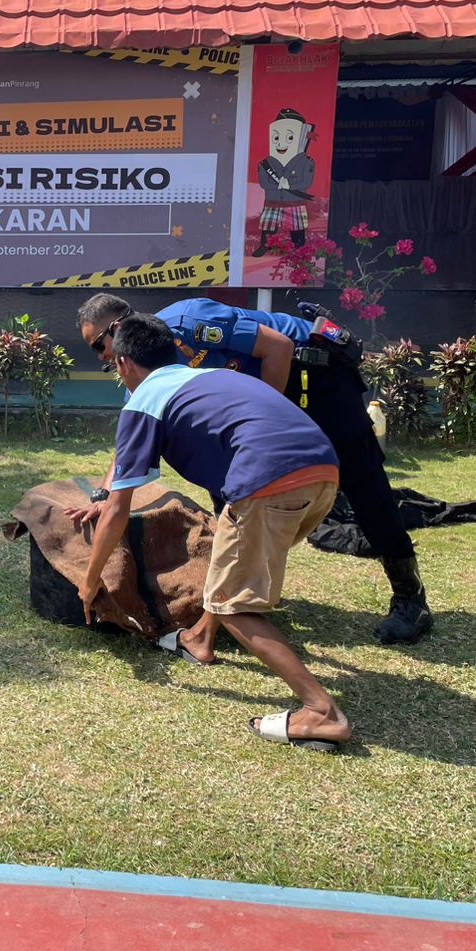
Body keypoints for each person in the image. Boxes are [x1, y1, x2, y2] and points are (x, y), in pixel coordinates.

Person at [76, 292, 434, 645]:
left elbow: (278, 348)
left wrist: (268, 423)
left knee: (363, 482)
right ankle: (235, 598)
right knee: (231, 493)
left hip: (313, 373)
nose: (102, 358)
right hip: (265, 406)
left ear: (117, 327)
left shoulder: (188, 320)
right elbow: (130, 443)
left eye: (97, 346)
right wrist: (103, 495)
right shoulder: (142, 367)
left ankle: (409, 597)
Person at [75, 313, 351, 750]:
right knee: (228, 562)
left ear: (124, 363)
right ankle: (200, 639)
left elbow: (116, 509)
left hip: (268, 483)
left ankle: (321, 711)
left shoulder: (145, 398)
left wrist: (89, 583)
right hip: (323, 475)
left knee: (233, 601)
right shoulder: (208, 377)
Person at [252, 107, 317, 256]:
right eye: (276, 137)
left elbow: (306, 182)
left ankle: (299, 249)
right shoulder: (265, 163)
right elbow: (263, 182)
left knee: (297, 228)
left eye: (290, 137)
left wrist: (290, 185)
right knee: (268, 226)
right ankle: (264, 246)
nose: (281, 143)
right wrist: (277, 184)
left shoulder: (306, 162)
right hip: (273, 201)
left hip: (295, 201)